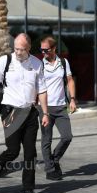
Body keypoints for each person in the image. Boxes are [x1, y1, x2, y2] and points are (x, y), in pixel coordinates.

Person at [0, 33, 49, 193]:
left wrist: (45, 113)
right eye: (16, 48)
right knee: (13, 151)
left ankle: (28, 190)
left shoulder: (36, 63)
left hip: (29, 112)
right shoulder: (5, 61)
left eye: (22, 49)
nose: (18, 52)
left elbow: (41, 89)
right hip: (11, 112)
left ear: (28, 48)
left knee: (31, 153)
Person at [39, 35, 76, 180]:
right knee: (46, 139)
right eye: (41, 50)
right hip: (45, 108)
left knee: (67, 137)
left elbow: (70, 80)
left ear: (54, 48)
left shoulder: (63, 62)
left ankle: (54, 159)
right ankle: (50, 169)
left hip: (61, 106)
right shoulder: (39, 64)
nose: (43, 53)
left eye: (46, 50)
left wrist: (72, 99)